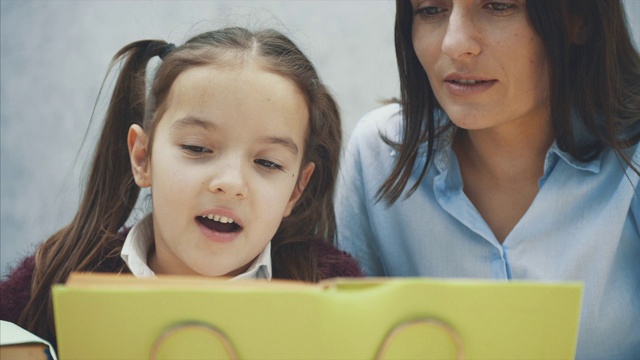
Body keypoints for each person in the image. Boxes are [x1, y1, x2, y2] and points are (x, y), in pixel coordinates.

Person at [0, 26, 363, 349]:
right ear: (142, 158)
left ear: (296, 190)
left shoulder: (336, 295)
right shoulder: (51, 279)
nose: (230, 184)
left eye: (267, 163)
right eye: (197, 148)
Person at [336, 0, 640, 359]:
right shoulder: (377, 154)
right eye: (430, 10)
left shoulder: (630, 158)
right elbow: (347, 343)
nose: (454, 43)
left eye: (498, 6)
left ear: (579, 20)